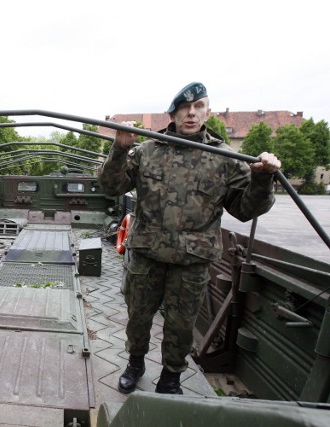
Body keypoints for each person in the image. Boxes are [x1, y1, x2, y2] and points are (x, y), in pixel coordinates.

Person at [98, 82, 281, 395]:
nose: (192, 113)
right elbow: (110, 186)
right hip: (147, 253)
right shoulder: (148, 150)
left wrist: (262, 179)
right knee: (138, 316)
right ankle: (135, 363)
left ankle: (171, 377)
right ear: (173, 113)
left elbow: (246, 209)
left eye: (199, 107)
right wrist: (120, 148)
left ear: (207, 112)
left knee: (181, 325)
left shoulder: (223, 157)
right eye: (185, 107)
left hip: (192, 261)